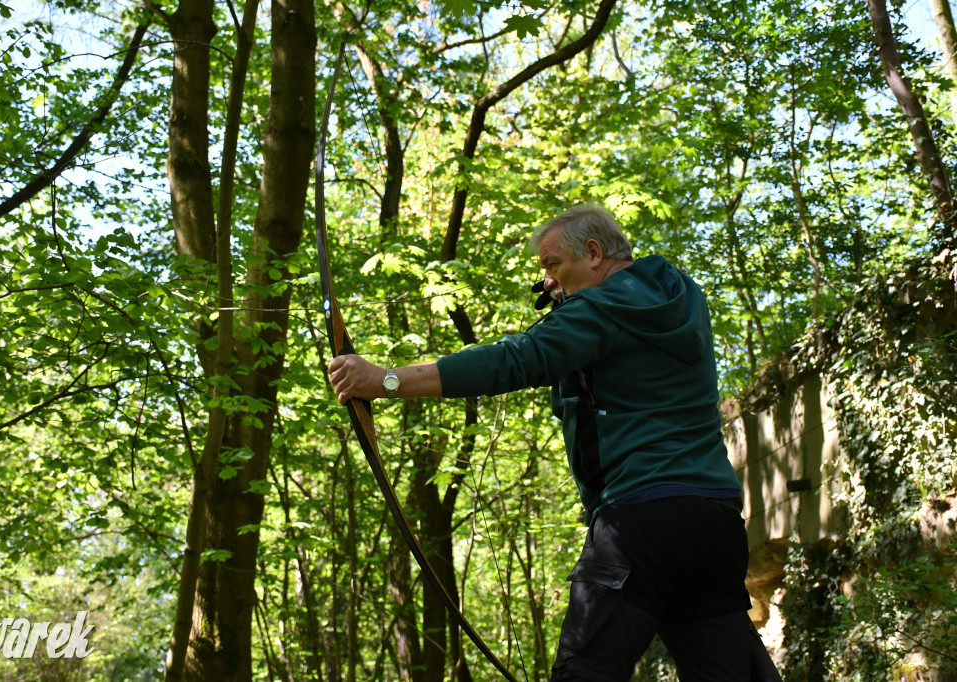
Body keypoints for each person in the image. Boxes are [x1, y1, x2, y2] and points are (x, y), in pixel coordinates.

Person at [328, 205, 781, 681]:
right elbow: (619, 355)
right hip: (715, 521)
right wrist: (570, 299)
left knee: (585, 672)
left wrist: (387, 381)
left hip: (640, 521)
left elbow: (516, 360)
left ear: (592, 252)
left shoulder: (601, 309)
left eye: (552, 265)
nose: (548, 279)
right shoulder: (680, 294)